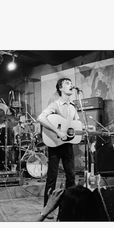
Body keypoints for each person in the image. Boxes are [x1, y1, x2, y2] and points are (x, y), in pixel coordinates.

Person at [37, 78, 79, 206]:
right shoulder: (55, 104)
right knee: (52, 177)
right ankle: (47, 206)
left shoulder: (73, 107)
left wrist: (88, 129)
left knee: (71, 176)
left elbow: (76, 125)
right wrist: (57, 131)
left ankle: (70, 204)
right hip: (54, 144)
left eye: (71, 83)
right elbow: (41, 118)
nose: (71, 85)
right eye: (67, 83)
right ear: (60, 88)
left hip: (68, 145)